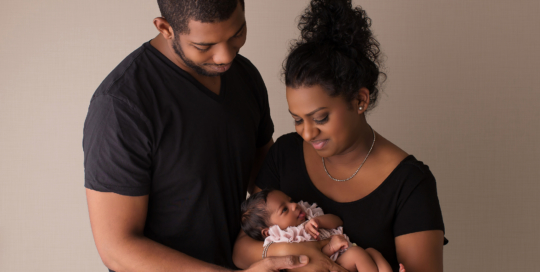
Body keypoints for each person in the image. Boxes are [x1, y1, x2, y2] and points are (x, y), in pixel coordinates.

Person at [82, 0, 345, 271]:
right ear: (165, 28)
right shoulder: (121, 106)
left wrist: (295, 248)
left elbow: (266, 189)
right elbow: (116, 248)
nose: (225, 57)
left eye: (237, 34)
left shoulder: (245, 77)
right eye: (204, 46)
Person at [233, 0, 448, 271]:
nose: (307, 133)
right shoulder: (285, 154)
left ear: (360, 100)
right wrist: (294, 252)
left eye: (320, 118)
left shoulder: (410, 185)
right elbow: (241, 251)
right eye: (297, 119)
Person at [241, 189, 394, 272]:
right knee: (357, 254)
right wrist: (332, 247)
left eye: (290, 200)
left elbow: (337, 221)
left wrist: (319, 221)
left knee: (373, 252)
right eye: (284, 210)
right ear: (269, 232)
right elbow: (309, 260)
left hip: (342, 255)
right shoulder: (285, 240)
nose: (294, 205)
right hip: (331, 263)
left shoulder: (308, 216)